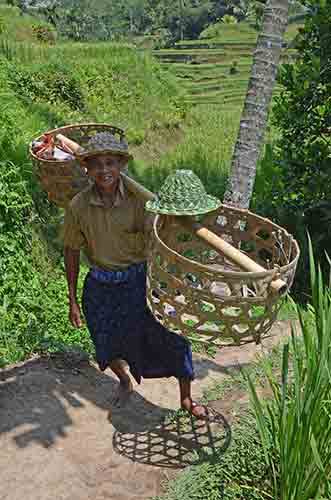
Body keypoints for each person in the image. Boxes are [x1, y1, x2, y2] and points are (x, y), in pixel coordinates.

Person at [63, 131, 208, 419]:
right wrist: (72, 297)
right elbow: (70, 250)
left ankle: (187, 400)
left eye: (111, 163)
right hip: (101, 285)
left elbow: (162, 239)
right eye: (97, 164)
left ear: (121, 166)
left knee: (172, 337)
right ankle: (124, 381)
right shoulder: (77, 206)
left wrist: (176, 223)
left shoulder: (140, 201)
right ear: (87, 169)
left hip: (139, 282)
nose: (104, 170)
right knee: (106, 342)